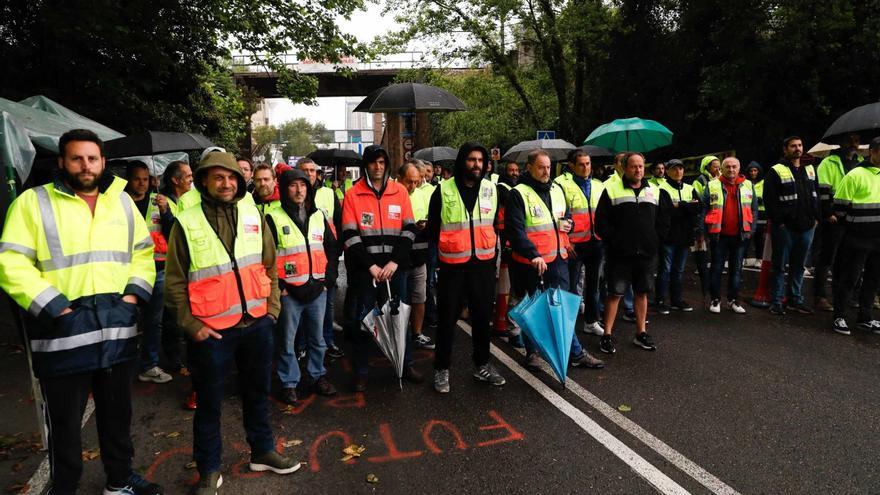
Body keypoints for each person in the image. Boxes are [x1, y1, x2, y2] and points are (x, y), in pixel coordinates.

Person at [0, 129, 161, 495]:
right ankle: (65, 486)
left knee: (117, 416)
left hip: (115, 328)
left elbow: (142, 253)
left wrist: (133, 298)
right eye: (77, 158)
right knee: (65, 424)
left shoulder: (120, 202)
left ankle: (119, 480)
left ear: (103, 162)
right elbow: (10, 261)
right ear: (62, 162)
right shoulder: (32, 202)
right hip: (63, 332)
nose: (85, 165)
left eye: (92, 158)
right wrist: (56, 308)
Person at [164, 152, 299, 494]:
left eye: (231, 178)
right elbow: (175, 281)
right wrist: (191, 325)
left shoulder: (253, 213)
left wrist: (271, 310)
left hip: (256, 325)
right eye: (218, 177)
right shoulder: (187, 221)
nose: (226, 183)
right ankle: (209, 469)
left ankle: (263, 451)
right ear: (205, 181)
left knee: (257, 394)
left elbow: (269, 265)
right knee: (209, 403)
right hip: (211, 331)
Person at [507, 149, 603, 369]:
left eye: (548, 167)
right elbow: (516, 230)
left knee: (562, 308)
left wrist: (569, 225)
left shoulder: (557, 189)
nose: (546, 171)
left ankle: (575, 353)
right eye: (541, 167)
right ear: (529, 167)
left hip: (558, 259)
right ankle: (533, 353)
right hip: (533, 263)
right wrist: (533, 255)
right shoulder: (519, 193)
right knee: (536, 310)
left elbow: (565, 217)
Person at [341, 145, 423, 391]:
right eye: (373, 162)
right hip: (366, 273)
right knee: (365, 321)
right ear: (365, 165)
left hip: (395, 270)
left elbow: (409, 229)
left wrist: (394, 262)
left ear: (387, 164)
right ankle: (362, 371)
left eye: (381, 162)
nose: (378, 167)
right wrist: (372, 267)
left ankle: (404, 364)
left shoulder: (399, 192)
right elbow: (350, 235)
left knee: (400, 318)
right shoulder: (353, 194)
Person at [427, 143, 505, 392]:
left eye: (481, 160)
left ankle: (482, 365)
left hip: (482, 266)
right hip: (452, 268)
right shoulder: (443, 190)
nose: (477, 165)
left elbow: (495, 224)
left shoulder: (492, 189)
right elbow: (433, 230)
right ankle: (441, 369)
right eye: (472, 160)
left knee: (483, 319)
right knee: (447, 320)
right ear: (462, 162)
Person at [266, 169, 339, 404]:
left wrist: (327, 281)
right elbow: (266, 257)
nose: (299, 190)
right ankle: (289, 383)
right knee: (287, 341)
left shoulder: (319, 216)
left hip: (317, 289)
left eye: (303, 185)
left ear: (309, 188)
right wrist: (280, 288)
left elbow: (332, 249)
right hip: (290, 292)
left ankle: (317, 376)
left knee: (318, 339)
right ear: (285, 189)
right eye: (293, 186)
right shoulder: (273, 217)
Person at [595, 152, 671, 354]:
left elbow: (664, 220)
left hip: (646, 253)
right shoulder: (611, 190)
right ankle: (607, 334)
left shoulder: (655, 190)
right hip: (620, 253)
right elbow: (601, 222)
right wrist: (616, 241)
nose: (638, 170)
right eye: (633, 166)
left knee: (642, 292)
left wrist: (655, 240)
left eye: (641, 166)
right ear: (625, 168)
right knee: (615, 293)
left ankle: (641, 333)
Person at [125, 161, 176, 384]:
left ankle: (149, 365)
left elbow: (173, 232)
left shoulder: (159, 202)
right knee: (125, 321)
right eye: (137, 179)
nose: (142, 183)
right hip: (126, 271)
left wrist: (165, 212)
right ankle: (120, 365)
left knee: (154, 322)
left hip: (157, 270)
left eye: (145, 179)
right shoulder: (119, 203)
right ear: (128, 180)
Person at [763, 136, 819, 315]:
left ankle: (795, 299)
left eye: (800, 145)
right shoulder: (776, 170)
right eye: (793, 146)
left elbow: (815, 194)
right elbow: (770, 200)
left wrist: (815, 218)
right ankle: (777, 300)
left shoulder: (810, 169)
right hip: (786, 227)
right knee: (779, 265)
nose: (798, 149)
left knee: (799, 266)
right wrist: (779, 222)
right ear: (785, 149)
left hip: (807, 226)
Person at [831, 136, 880, 335]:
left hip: (879, 240)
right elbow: (840, 207)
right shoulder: (855, 175)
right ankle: (839, 316)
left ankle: (865, 317)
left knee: (873, 280)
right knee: (850, 278)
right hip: (857, 237)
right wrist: (854, 227)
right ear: (873, 151)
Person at [554, 150, 606, 337]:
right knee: (570, 286)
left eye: (588, 164)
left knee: (593, 286)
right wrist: (566, 242)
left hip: (596, 242)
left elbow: (605, 214)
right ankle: (566, 326)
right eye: (582, 164)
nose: (586, 168)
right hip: (574, 244)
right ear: (572, 166)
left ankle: (591, 322)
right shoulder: (562, 186)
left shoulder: (599, 186)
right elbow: (559, 217)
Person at [297, 157, 345, 359]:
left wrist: (335, 259)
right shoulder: (294, 194)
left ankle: (327, 341)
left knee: (328, 306)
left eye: (312, 170)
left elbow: (339, 223)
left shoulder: (328, 194)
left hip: (326, 259)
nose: (309, 174)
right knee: (301, 309)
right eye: (305, 170)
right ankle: (302, 346)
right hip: (302, 263)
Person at [703, 157, 758, 314]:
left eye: (734, 167)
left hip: (740, 236)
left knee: (737, 270)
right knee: (716, 269)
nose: (731, 169)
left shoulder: (748, 185)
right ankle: (715, 300)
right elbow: (704, 209)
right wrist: (703, 233)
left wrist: (751, 230)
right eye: (727, 167)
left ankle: (733, 300)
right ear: (722, 168)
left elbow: (754, 209)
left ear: (739, 168)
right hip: (718, 235)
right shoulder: (712, 185)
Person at [815, 134, 863, 311]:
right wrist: (828, 213)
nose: (853, 144)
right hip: (833, 217)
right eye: (849, 141)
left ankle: (840, 296)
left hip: (851, 218)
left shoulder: (860, 162)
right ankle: (820, 296)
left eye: (856, 141)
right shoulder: (829, 162)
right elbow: (823, 189)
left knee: (845, 259)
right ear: (841, 142)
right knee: (827, 257)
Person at [655, 159, 701, 314]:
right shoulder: (662, 188)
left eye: (681, 169)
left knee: (679, 270)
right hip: (668, 236)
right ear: (667, 171)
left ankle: (676, 299)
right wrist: (688, 205)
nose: (678, 172)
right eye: (674, 169)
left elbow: (698, 207)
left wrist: (680, 205)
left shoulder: (690, 187)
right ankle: (660, 300)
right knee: (665, 270)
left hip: (685, 236)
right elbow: (667, 211)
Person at [399, 160, 435, 350]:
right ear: (399, 179)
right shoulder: (394, 195)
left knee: (419, 297)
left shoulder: (422, 195)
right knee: (402, 301)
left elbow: (432, 220)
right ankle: (401, 336)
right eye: (409, 181)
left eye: (417, 181)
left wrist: (426, 224)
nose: (413, 185)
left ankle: (417, 333)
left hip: (420, 254)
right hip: (400, 259)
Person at [691, 155, 721, 299]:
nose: (718, 168)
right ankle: (705, 286)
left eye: (718, 166)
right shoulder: (700, 181)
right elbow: (698, 199)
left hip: (716, 221)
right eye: (715, 166)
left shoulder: (721, 179)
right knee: (702, 252)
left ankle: (712, 284)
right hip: (703, 220)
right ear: (707, 167)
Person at [744, 162, 765, 267]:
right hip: (748, 211)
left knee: (759, 237)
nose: (753, 172)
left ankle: (759, 259)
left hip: (761, 213)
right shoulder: (745, 183)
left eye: (755, 170)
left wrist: (761, 200)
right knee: (747, 236)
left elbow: (768, 195)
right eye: (751, 170)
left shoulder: (763, 183)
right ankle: (744, 258)